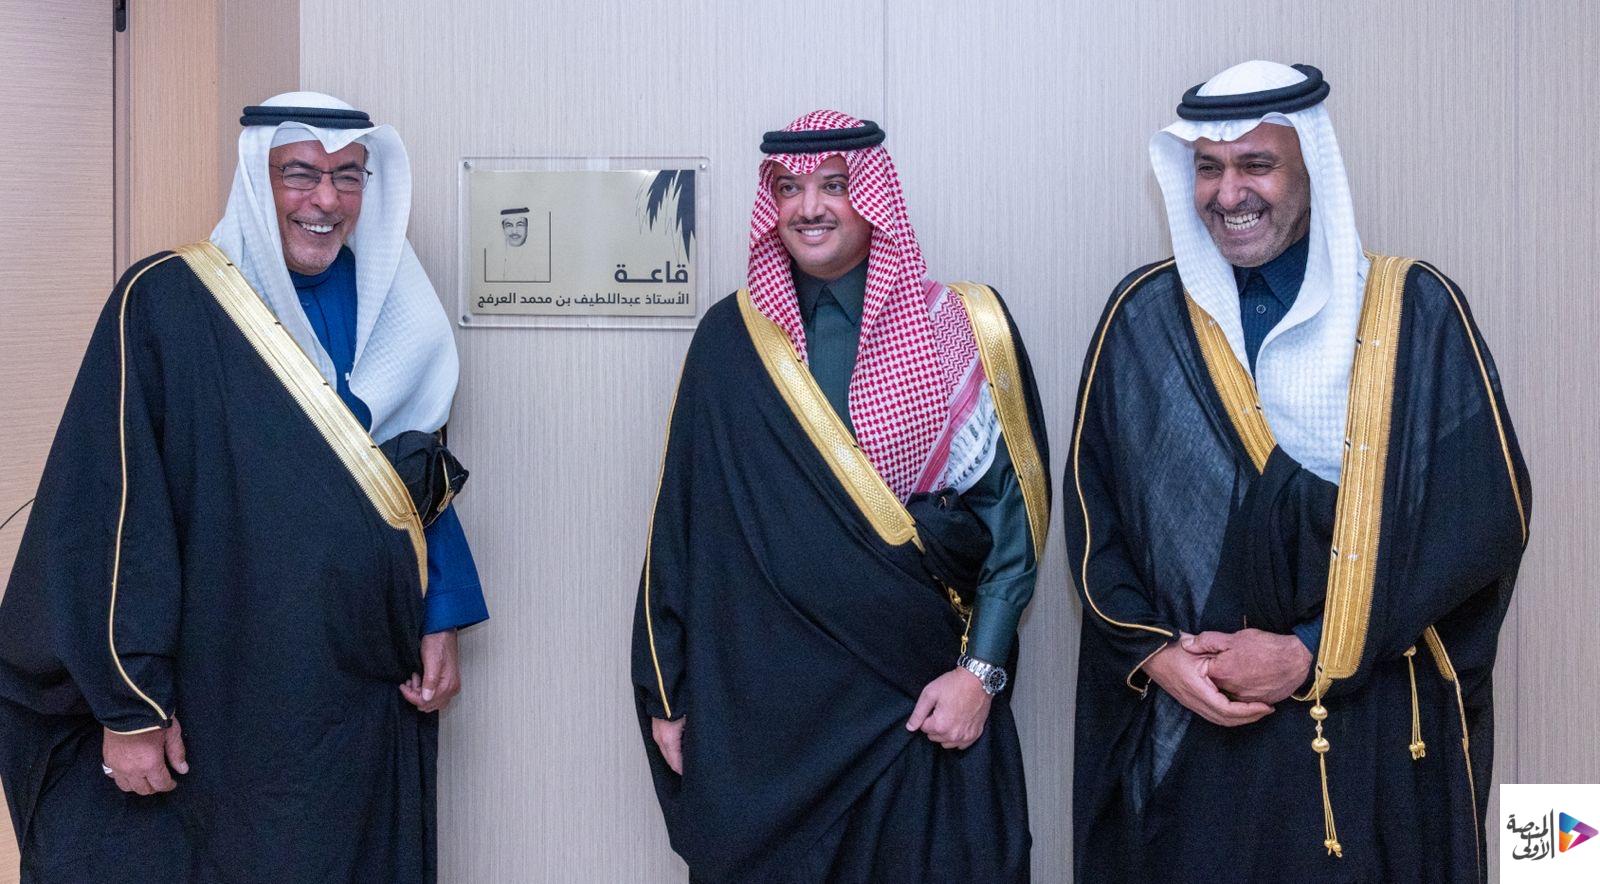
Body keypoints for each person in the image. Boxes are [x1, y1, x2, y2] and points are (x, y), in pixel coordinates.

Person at [0, 91, 488, 883]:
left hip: (357, 684)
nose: (326, 199)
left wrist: (441, 615)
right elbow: (113, 514)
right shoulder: (165, 301)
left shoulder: (394, 304)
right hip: (219, 682)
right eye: (300, 173)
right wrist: (131, 703)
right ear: (257, 180)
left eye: (348, 176)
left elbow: (410, 477)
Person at [1067, 61, 1529, 883]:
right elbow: (1095, 519)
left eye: (1257, 164)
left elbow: (1476, 522)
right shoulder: (1142, 318)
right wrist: (1159, 657)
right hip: (1197, 731)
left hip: (1366, 728)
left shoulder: (1413, 311)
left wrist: (1310, 650)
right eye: (1208, 168)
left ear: (1311, 167)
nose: (1228, 193)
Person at [631, 110, 1050, 883]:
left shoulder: (955, 329)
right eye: (789, 189)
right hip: (764, 724)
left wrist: (980, 673)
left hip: (915, 707)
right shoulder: (731, 340)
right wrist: (667, 694)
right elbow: (680, 530)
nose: (809, 207)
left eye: (833, 185)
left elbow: (1011, 529)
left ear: (876, 199)